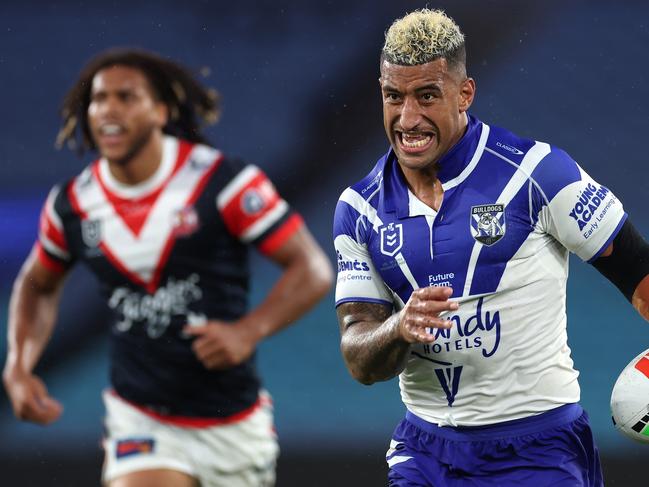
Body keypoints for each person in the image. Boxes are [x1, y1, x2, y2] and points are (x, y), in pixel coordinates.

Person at [333, 8, 649, 487]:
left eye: (426, 96)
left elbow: (637, 269)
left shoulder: (539, 174)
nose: (407, 118)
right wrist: (398, 328)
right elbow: (359, 357)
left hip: (539, 449)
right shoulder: (360, 209)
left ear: (464, 94)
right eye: (393, 97)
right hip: (426, 452)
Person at [3, 48, 333, 487]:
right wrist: (19, 365)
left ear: (161, 110)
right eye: (99, 99)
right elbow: (38, 284)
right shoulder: (74, 205)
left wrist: (247, 331)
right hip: (140, 419)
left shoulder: (222, 182)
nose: (108, 109)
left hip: (231, 424)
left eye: (126, 97)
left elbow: (311, 268)